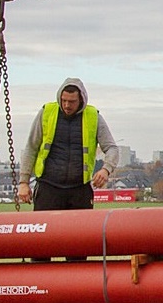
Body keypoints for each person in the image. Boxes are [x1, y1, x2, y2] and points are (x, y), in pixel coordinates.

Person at [16, 77, 122, 211]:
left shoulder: (93, 116)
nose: (67, 105)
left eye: (72, 102)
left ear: (81, 100)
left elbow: (112, 148)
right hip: (48, 187)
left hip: (79, 190)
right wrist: (23, 182)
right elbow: (31, 148)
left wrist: (106, 169)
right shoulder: (47, 112)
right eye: (64, 100)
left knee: (82, 232)